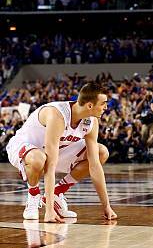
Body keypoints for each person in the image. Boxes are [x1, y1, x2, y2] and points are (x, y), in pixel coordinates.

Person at [6, 83, 117, 222]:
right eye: (103, 103)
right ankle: (33, 195)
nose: (106, 107)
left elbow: (95, 165)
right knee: (39, 159)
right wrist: (49, 211)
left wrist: (106, 206)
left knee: (101, 153)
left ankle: (57, 192)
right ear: (89, 105)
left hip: (56, 150)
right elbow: (50, 165)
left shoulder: (92, 122)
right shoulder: (57, 115)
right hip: (24, 148)